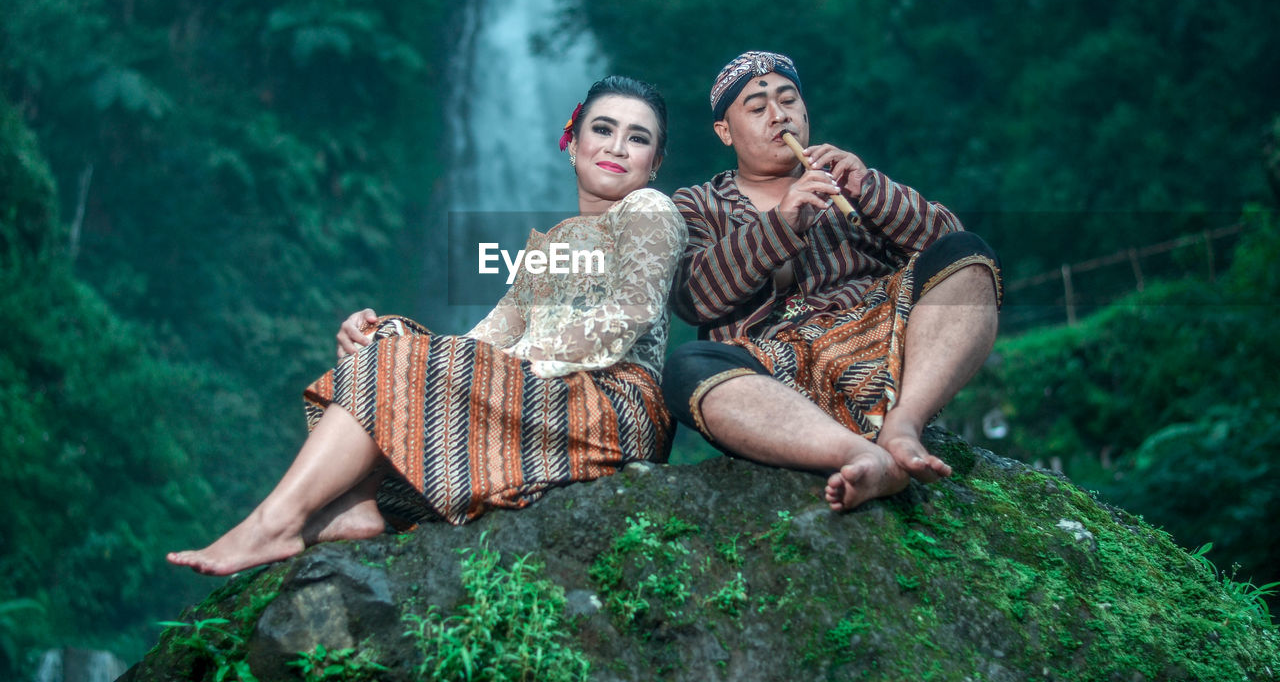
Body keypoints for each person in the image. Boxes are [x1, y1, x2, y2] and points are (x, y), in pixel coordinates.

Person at [169, 76, 686, 575]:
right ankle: (357, 503)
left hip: (611, 404)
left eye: (637, 138)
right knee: (389, 339)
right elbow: (484, 339)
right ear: (572, 143)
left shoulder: (648, 208)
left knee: (411, 359)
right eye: (603, 129)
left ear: (655, 162)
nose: (617, 146)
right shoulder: (546, 249)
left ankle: (273, 522)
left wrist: (506, 367)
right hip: (545, 393)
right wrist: (383, 340)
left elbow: (630, 312)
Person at [662, 51, 1002, 513]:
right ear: (725, 131)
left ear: (805, 111)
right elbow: (693, 297)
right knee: (686, 368)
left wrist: (871, 189)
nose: (779, 115)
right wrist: (782, 223)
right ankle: (861, 456)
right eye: (757, 108)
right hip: (776, 371)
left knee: (968, 255)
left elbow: (951, 248)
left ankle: (904, 424)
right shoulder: (697, 203)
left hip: (882, 339)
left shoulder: (849, 181)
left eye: (788, 100)